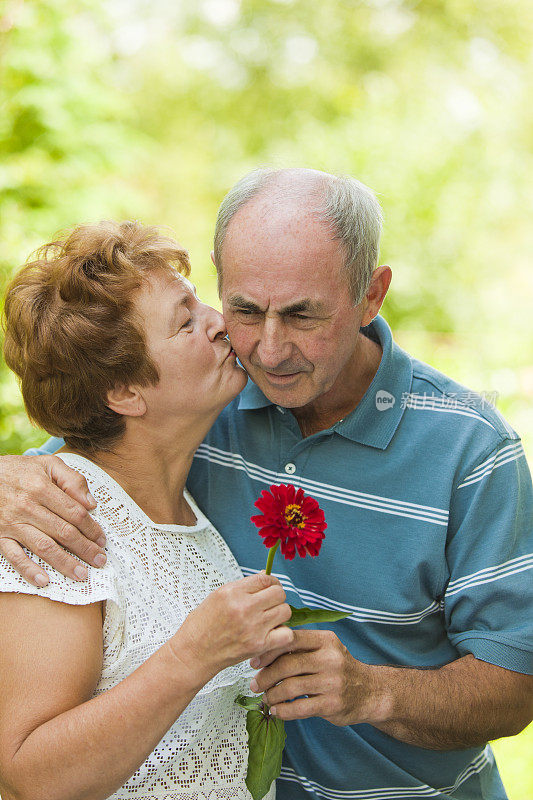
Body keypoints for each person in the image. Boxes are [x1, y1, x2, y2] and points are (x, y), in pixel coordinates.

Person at [1, 168, 532, 800]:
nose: (269, 350)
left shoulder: (470, 449)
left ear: (371, 295)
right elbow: (88, 435)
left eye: (304, 315)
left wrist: (373, 691)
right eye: (245, 310)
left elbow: (515, 684)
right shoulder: (199, 403)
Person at [0, 220, 294, 800]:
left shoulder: (188, 516)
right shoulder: (61, 521)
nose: (219, 322)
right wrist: (193, 655)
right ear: (125, 393)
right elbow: (28, 775)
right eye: (185, 321)